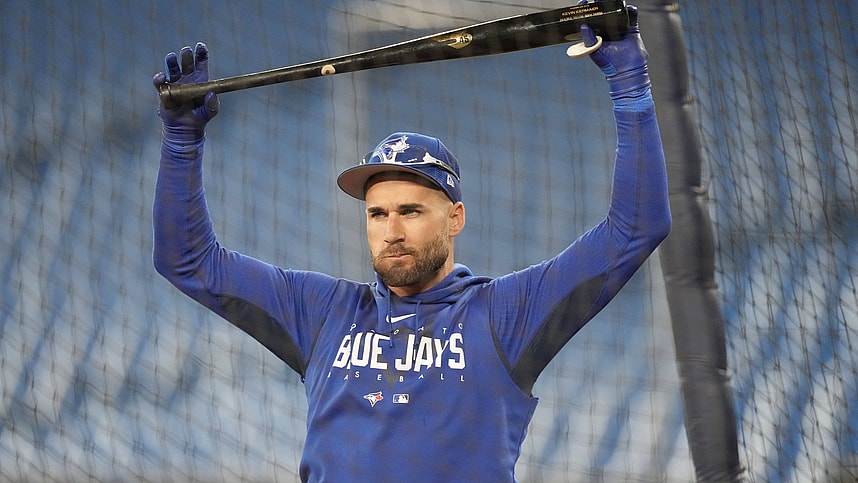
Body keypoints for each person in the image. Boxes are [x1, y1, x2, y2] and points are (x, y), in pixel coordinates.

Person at [152, 4, 670, 482]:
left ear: (456, 217)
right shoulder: (321, 311)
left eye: (410, 212)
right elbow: (188, 261)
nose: (390, 231)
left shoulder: (506, 314)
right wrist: (181, 146)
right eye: (376, 213)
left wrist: (630, 84)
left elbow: (633, 229)